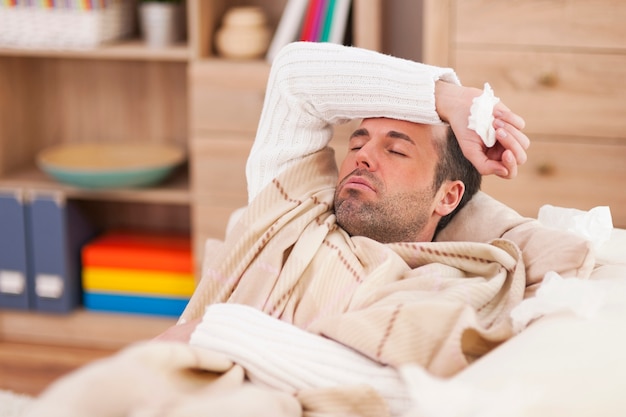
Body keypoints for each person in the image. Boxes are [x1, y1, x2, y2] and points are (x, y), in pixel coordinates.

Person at [26, 42, 530, 417]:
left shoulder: (446, 283)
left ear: (448, 196)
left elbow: (403, 389)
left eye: (396, 149)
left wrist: (219, 333)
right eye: (357, 141)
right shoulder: (293, 206)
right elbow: (293, 75)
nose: (362, 156)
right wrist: (448, 99)